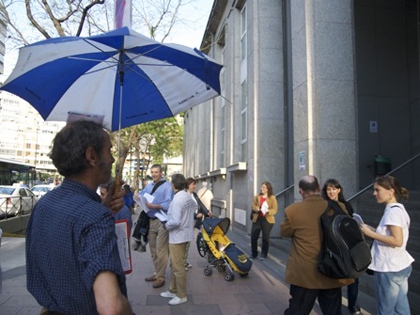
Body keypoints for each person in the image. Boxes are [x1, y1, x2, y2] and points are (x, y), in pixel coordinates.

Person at [26, 120, 133, 314]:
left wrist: (103, 208)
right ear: (92, 156)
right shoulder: (95, 217)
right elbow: (111, 307)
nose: (112, 159)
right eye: (109, 151)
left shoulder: (43, 205)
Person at [281, 175, 353, 315]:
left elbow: (285, 232)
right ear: (319, 188)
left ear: (301, 191)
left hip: (305, 273)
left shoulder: (293, 210)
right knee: (332, 311)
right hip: (332, 270)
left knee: (298, 310)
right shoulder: (339, 207)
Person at [360, 175, 414, 315]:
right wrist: (371, 229)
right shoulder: (397, 209)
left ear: (391, 191)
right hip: (398, 265)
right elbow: (390, 236)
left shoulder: (393, 212)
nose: (374, 193)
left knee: (386, 310)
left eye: (378, 190)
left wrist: (371, 234)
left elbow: (397, 241)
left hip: (389, 267)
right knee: (401, 308)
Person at [321, 178, 363, 315]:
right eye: (328, 189)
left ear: (339, 190)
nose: (331, 191)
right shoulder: (324, 206)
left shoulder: (346, 205)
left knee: (353, 278)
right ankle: (335, 307)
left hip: (347, 246)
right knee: (335, 279)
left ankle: (352, 305)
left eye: (333, 188)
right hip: (333, 248)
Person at [160, 174, 196, 305]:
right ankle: (172, 289)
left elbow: (174, 221)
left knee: (178, 267)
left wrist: (166, 225)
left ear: (173, 185)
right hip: (185, 234)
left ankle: (181, 295)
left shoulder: (177, 200)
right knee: (175, 264)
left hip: (177, 236)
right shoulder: (188, 197)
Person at [141, 164, 173, 289]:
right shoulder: (148, 186)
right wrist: (137, 197)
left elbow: (169, 203)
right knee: (153, 249)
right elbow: (142, 195)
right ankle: (157, 272)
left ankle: (161, 277)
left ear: (161, 173)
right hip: (151, 220)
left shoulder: (167, 186)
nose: (154, 174)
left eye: (156, 172)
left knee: (161, 250)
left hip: (162, 220)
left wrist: (155, 206)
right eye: (152, 172)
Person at [250, 181, 278, 260]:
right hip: (257, 218)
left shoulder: (272, 198)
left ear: (267, 189)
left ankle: (264, 253)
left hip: (267, 219)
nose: (261, 189)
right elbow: (253, 205)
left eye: (263, 187)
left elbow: (275, 209)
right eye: (261, 187)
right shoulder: (257, 196)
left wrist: (268, 211)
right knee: (253, 236)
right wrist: (256, 208)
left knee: (265, 238)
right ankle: (254, 253)